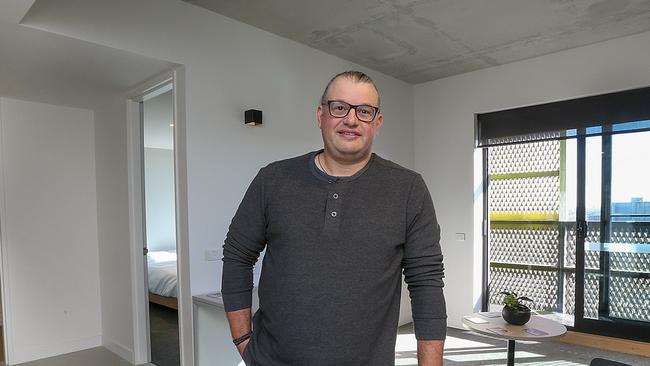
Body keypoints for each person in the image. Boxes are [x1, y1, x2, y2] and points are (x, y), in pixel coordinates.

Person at [222, 71, 446, 366]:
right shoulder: (273, 179)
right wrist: (242, 340)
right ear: (321, 115)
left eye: (364, 111)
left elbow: (426, 282)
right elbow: (238, 255)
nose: (351, 120)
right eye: (339, 107)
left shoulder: (408, 189)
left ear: (377, 123)